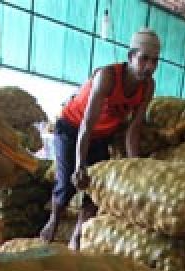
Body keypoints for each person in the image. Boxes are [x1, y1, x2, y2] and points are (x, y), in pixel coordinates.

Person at [40, 28, 160, 249]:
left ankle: (77, 238)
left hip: (101, 135)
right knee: (69, 181)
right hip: (72, 128)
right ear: (130, 57)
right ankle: (53, 222)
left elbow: (134, 129)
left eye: (155, 61)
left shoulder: (147, 87)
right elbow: (86, 125)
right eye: (144, 59)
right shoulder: (107, 77)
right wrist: (80, 164)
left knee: (95, 188)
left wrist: (137, 165)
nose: (150, 67)